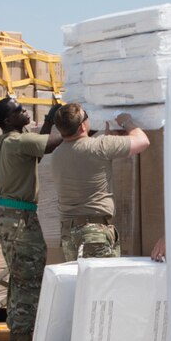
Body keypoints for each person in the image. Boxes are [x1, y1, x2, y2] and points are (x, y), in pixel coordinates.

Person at [0, 96, 62, 341]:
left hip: (12, 215)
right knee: (29, 281)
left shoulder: (9, 141)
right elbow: (51, 144)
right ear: (8, 121)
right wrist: (76, 127)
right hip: (20, 217)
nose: (25, 110)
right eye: (19, 110)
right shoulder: (18, 141)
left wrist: (51, 121)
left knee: (20, 280)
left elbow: (38, 147)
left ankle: (16, 339)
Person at [48, 104, 149, 260]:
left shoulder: (57, 154)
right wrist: (126, 122)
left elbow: (90, 166)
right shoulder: (98, 146)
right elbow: (142, 141)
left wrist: (111, 139)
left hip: (70, 232)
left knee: (81, 282)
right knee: (101, 283)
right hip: (94, 233)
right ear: (82, 125)